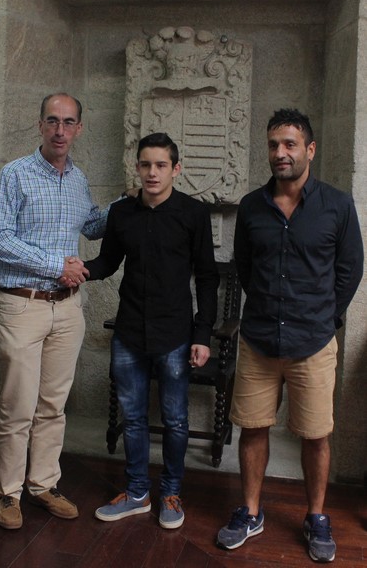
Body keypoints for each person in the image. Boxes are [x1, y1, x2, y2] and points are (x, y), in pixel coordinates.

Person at [216, 109, 363, 563]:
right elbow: (244, 266)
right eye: (274, 145)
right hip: (259, 340)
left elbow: (350, 269)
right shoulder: (252, 206)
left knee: (316, 435)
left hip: (312, 343)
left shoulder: (337, 206)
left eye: (290, 144)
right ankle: (251, 511)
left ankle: (316, 516)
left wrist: (325, 317)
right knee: (253, 427)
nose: (280, 153)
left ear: (309, 150)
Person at [82, 132, 219, 529]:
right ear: (137, 168)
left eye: (161, 165)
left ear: (176, 169)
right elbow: (108, 262)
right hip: (129, 330)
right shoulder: (123, 213)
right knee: (133, 416)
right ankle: (138, 492)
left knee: (175, 419)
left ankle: (171, 493)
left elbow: (207, 277)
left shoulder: (193, 214)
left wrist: (203, 335)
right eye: (145, 165)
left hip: (175, 333)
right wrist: (77, 270)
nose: (152, 172)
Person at [0, 93, 109, 530]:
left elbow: (90, 224)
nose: (60, 130)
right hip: (23, 305)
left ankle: (42, 485)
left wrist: (130, 202)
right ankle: (7, 492)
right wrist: (58, 266)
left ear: (79, 128)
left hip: (67, 309)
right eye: (53, 121)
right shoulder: (15, 174)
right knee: (18, 406)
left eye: (68, 122)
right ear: (40, 125)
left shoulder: (78, 178)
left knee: (53, 407)